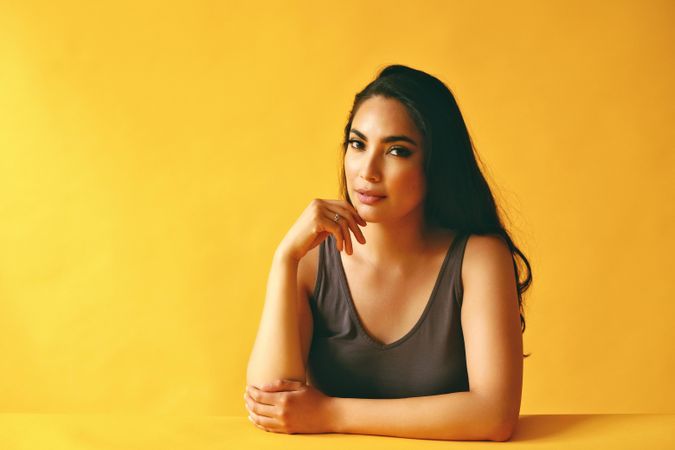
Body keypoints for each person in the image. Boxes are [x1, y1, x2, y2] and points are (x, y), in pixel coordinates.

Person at [244, 64, 533, 441]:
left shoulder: (478, 259)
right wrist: (284, 260)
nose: (368, 170)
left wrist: (330, 413)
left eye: (397, 150)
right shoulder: (311, 261)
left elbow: (495, 417)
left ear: (435, 163)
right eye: (357, 144)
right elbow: (271, 406)